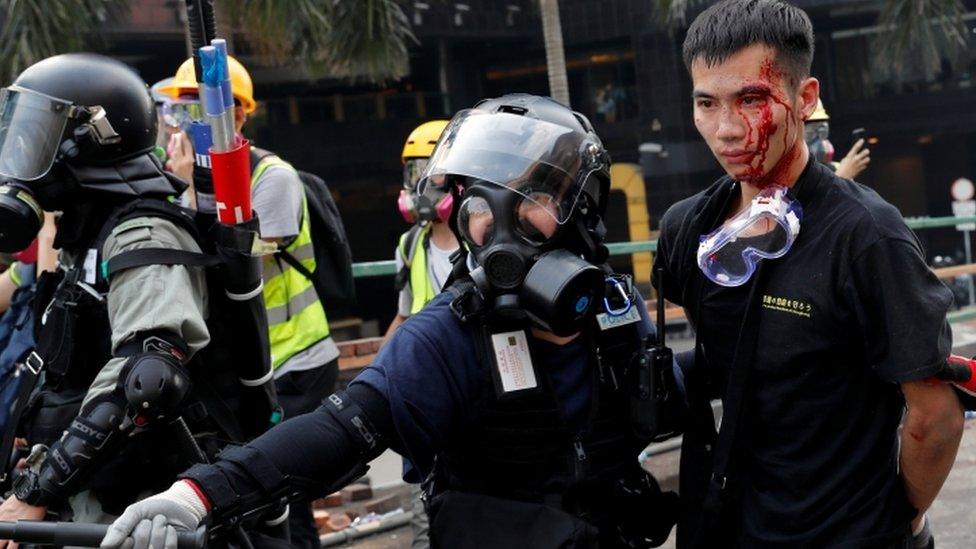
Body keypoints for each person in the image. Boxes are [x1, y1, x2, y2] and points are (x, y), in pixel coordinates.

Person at [101, 94, 680, 549]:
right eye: (480, 205)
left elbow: (681, 388)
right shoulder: (447, 336)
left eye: (530, 200)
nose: (497, 230)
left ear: (583, 216)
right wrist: (197, 496)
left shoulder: (617, 310)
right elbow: (342, 429)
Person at [654, 1, 963, 548]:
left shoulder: (867, 235)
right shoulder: (688, 228)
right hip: (726, 524)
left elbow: (933, 418)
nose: (726, 129)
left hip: (844, 532)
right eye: (707, 102)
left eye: (751, 99)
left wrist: (903, 520)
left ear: (805, 97)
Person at [0, 53, 281, 547]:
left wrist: (39, 488)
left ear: (92, 139)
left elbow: (148, 378)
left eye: (41, 131)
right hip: (96, 494)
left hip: (144, 507)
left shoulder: (142, 231)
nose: (26, 148)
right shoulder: (87, 231)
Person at [161, 57, 339, 548]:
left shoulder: (273, 177)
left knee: (285, 489)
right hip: (249, 363)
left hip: (295, 360)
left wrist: (192, 189)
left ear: (236, 114)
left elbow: (241, 261)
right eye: (177, 112)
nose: (183, 124)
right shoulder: (185, 179)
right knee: (250, 494)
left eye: (196, 109)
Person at [383, 120, 459, 343]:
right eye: (415, 172)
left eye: (432, 172)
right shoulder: (409, 245)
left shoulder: (482, 243)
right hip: (435, 363)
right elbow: (404, 317)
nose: (421, 185)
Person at [804, 98, 871, 180]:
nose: (821, 141)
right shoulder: (788, 178)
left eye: (823, 131)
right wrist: (841, 178)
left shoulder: (837, 168)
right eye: (811, 132)